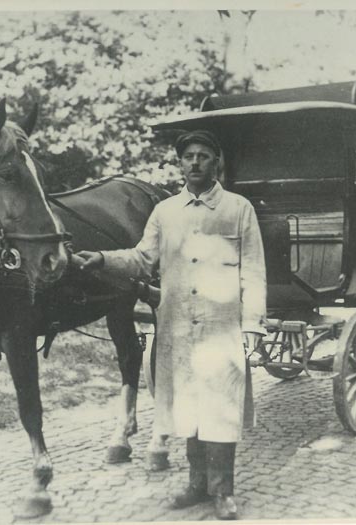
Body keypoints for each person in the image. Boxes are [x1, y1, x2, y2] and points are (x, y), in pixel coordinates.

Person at [75, 129, 267, 520]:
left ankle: (223, 491)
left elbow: (254, 271)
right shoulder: (165, 213)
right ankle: (197, 485)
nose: (195, 162)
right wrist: (102, 259)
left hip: (221, 326)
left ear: (217, 163)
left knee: (221, 406)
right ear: (179, 164)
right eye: (188, 157)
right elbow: (142, 258)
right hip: (177, 324)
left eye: (203, 156)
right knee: (189, 406)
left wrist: (252, 326)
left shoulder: (238, 208)